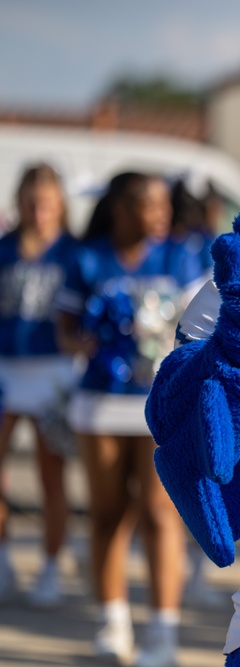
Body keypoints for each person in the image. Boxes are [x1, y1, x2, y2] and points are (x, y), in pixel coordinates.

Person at [54, 171, 205, 667]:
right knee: (107, 513)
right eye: (151, 206)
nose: (163, 215)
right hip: (101, 402)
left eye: (166, 206)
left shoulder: (179, 255)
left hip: (159, 402)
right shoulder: (87, 258)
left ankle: (162, 633)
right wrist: (91, 345)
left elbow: (198, 326)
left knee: (161, 514)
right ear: (121, 208)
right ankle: (112, 621)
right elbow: (65, 330)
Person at [0, 163, 80, 607]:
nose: (38, 211)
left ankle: (50, 566)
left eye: (46, 203)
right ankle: (3, 560)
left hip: (53, 372)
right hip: (6, 368)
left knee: (53, 476)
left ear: (60, 204)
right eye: (31, 202)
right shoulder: (4, 249)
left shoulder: (74, 252)